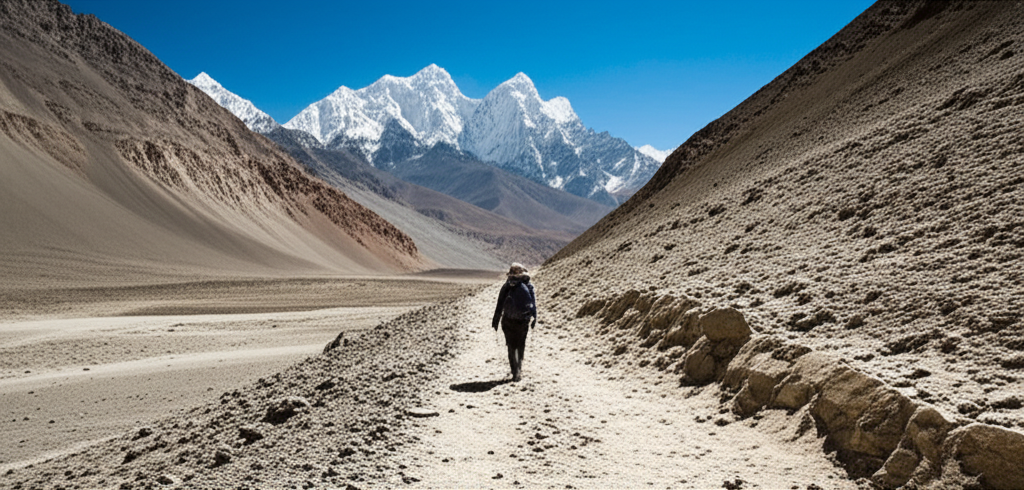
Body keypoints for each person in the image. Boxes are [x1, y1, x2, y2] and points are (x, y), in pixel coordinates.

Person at [492, 263, 537, 382]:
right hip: (523, 321)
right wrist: (534, 319)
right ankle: (519, 371)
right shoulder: (529, 286)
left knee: (511, 346)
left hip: (508, 320)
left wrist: (495, 320)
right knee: (520, 345)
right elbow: (533, 304)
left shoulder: (507, 286)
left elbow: (499, 304)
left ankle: (514, 371)